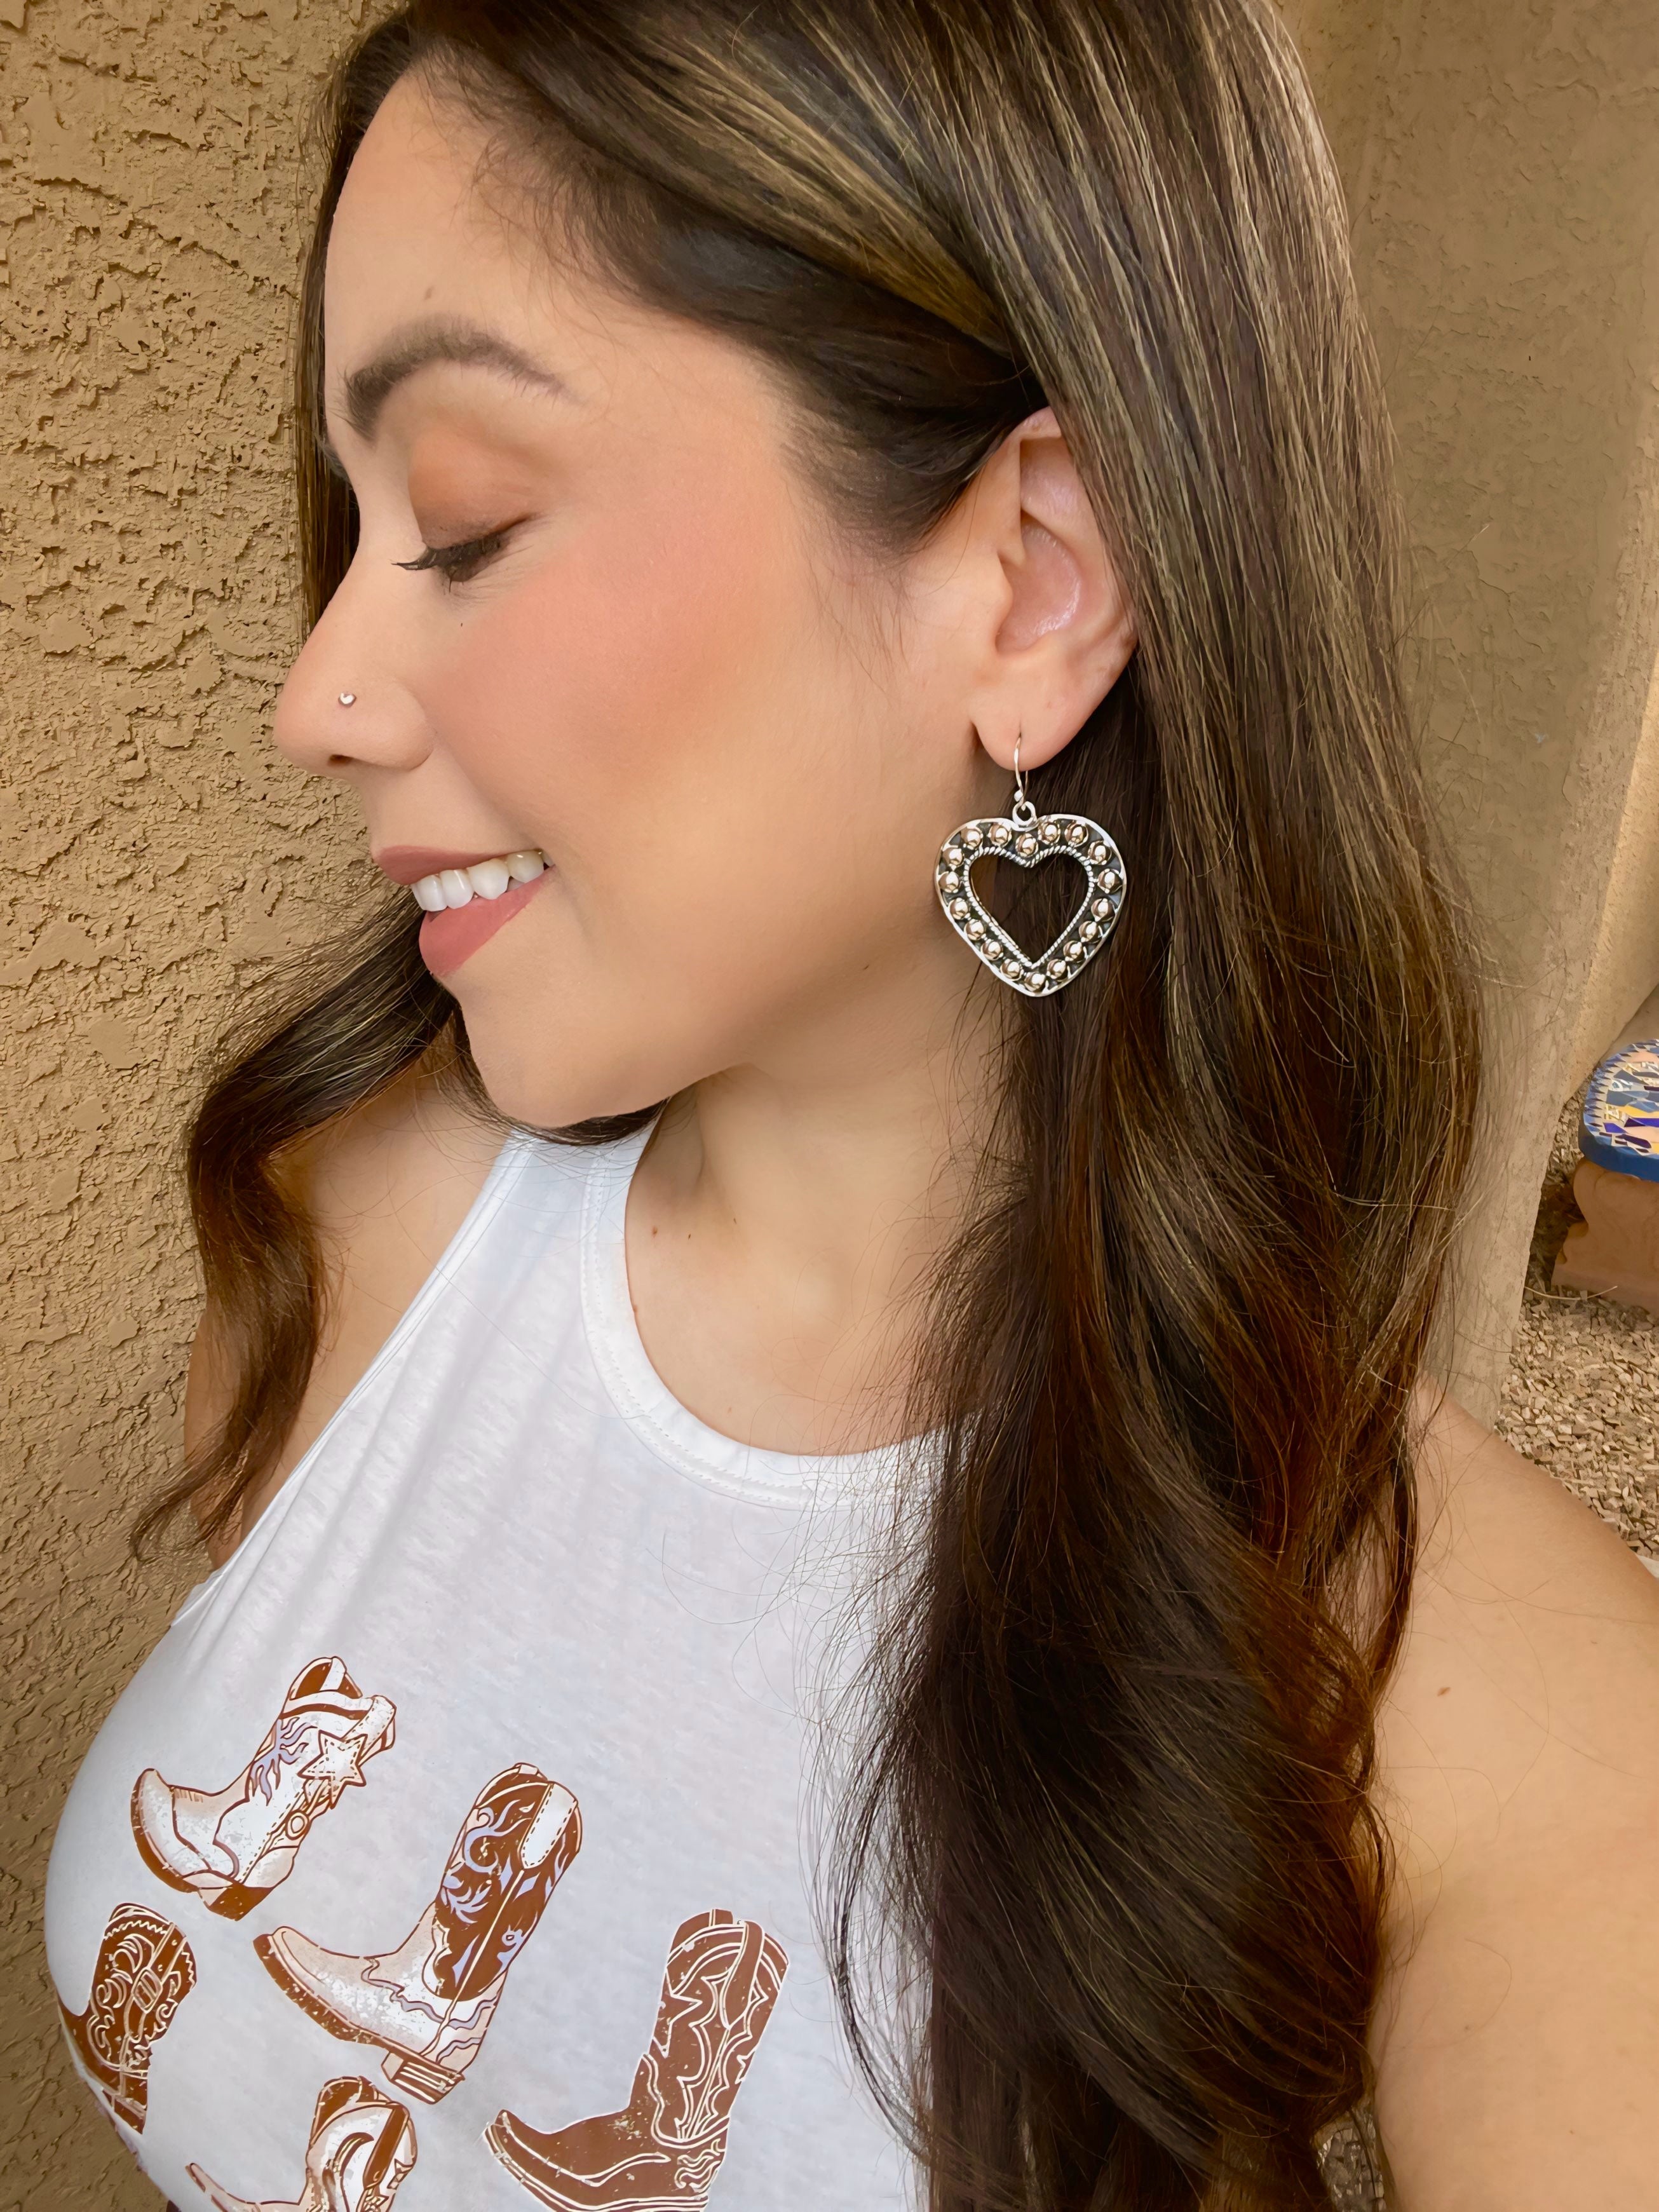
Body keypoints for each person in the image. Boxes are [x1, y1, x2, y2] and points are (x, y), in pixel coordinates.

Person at [43, 3, 1659, 2208]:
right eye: (351, 522)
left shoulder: (1487, 1703)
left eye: (468, 518)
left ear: (1032, 582)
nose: (315, 693)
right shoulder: (354, 1223)